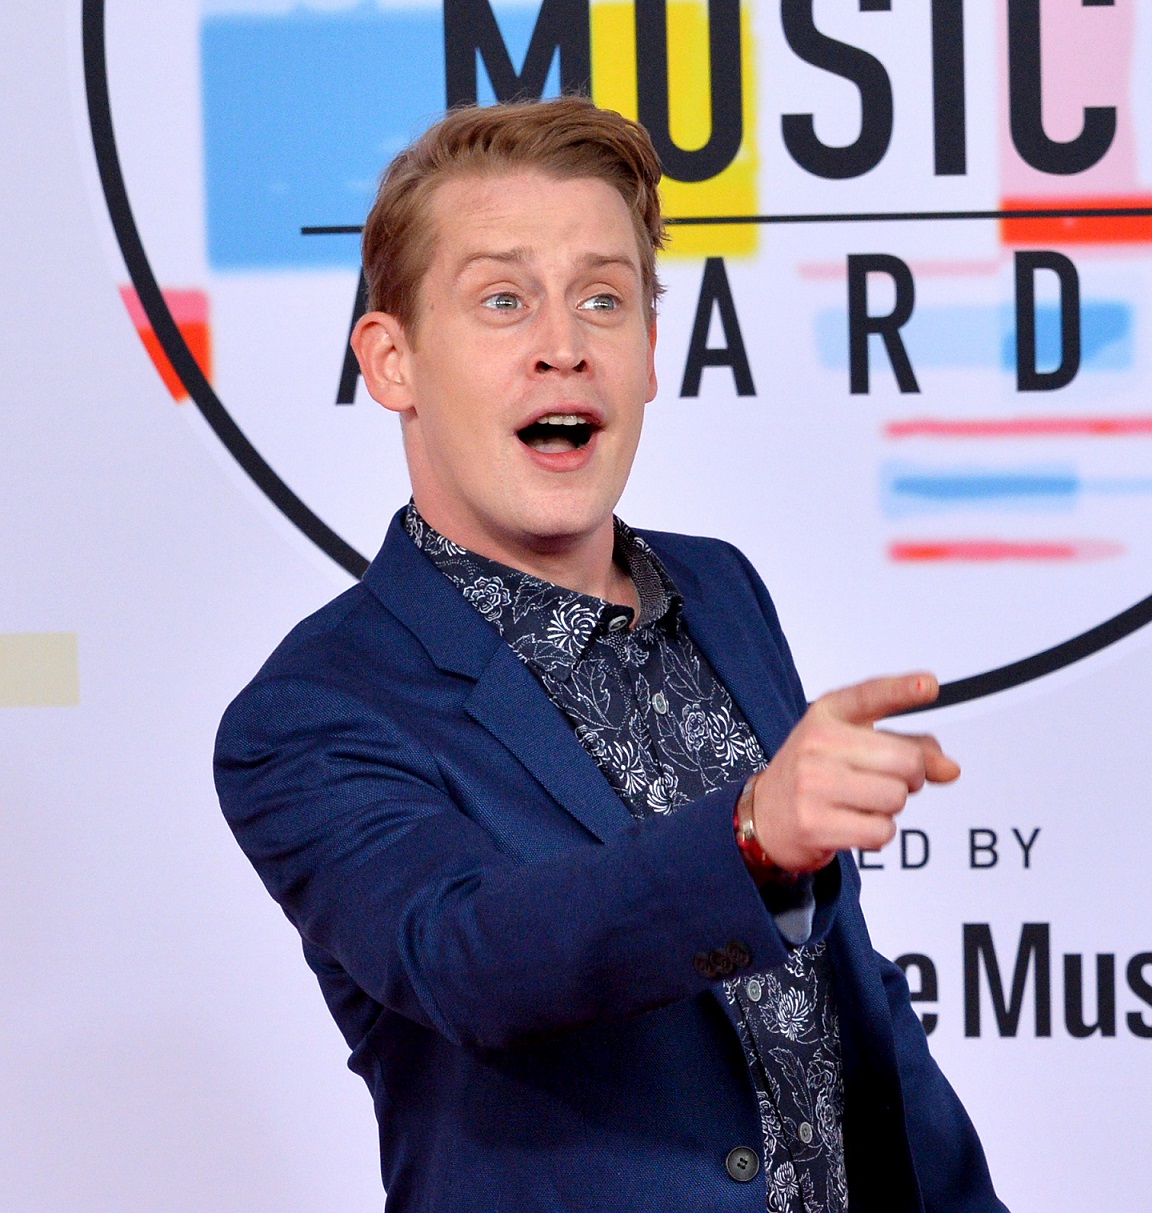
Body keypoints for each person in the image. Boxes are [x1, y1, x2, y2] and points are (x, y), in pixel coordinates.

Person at [213, 96, 1008, 1213]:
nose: (564, 345)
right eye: (502, 300)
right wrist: (748, 841)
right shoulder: (312, 712)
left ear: (647, 354)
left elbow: (838, 994)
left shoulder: (721, 589)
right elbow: (471, 958)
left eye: (603, 298)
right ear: (392, 361)